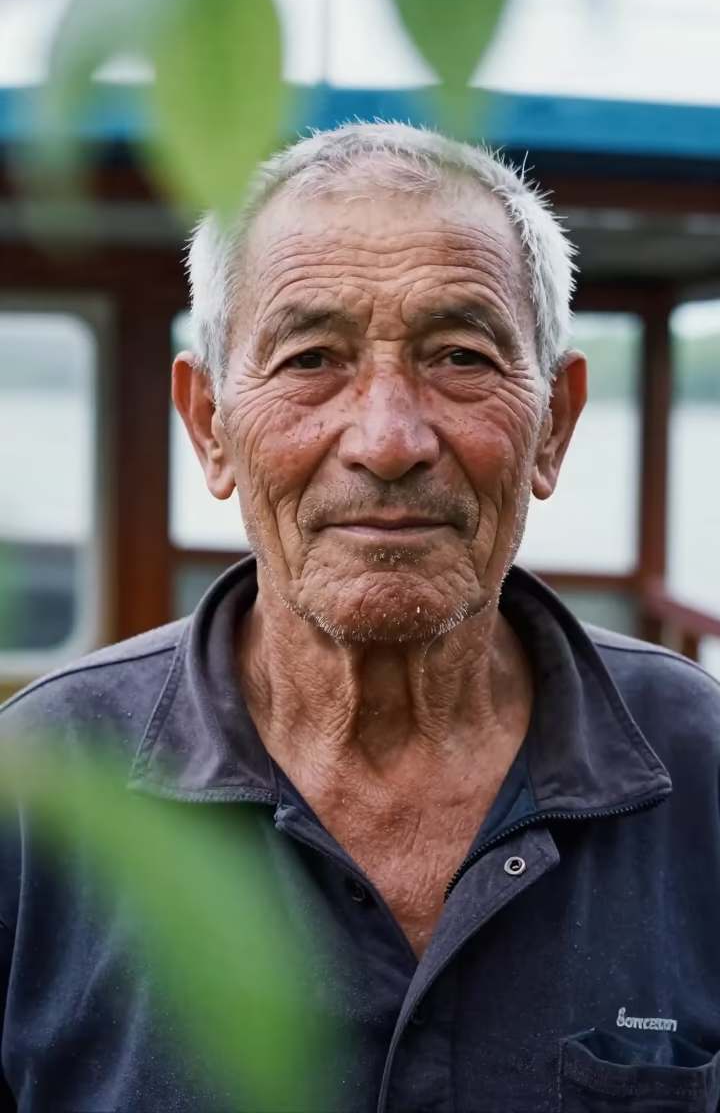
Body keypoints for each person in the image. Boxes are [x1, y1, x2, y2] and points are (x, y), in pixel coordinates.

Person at [2, 122, 720, 1113]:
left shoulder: (699, 760)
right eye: (310, 358)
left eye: (461, 354)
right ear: (210, 423)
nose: (388, 439)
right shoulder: (42, 782)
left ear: (553, 421)